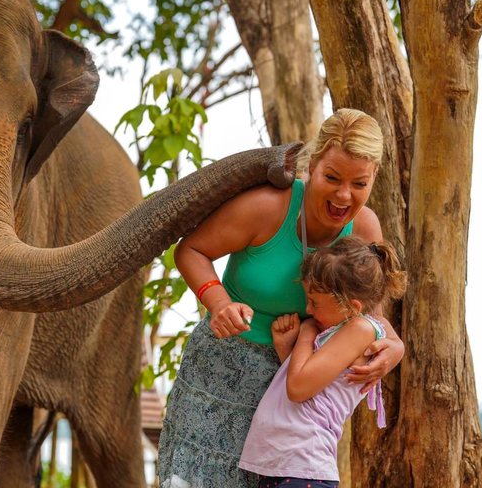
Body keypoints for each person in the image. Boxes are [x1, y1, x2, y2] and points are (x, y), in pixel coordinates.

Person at [158, 108, 405, 488]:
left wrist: (395, 346)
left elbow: (365, 313)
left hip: (297, 406)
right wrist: (218, 302)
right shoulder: (267, 207)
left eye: (359, 183)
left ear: (374, 180)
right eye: (332, 177)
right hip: (220, 377)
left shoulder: (365, 229)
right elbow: (191, 250)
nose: (343, 195)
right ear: (311, 167)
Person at [238, 237, 407, 488]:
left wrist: (306, 332)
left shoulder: (361, 329)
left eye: (314, 302)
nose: (308, 309)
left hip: (303, 464)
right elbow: (312, 386)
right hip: (289, 464)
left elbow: (297, 389)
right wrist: (286, 348)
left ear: (351, 307)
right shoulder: (338, 332)